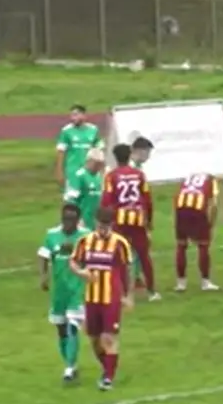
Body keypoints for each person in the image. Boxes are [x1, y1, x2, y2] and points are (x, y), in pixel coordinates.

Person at [70, 206, 135, 391]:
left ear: (112, 225)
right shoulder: (85, 241)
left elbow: (128, 269)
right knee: (94, 339)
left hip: (111, 298)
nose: (103, 229)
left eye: (107, 226)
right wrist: (81, 272)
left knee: (109, 337)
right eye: (100, 225)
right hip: (91, 298)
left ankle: (108, 378)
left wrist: (128, 295)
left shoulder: (120, 243)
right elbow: (73, 261)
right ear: (96, 223)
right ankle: (107, 368)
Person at [99, 143, 159, 300]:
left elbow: (106, 200)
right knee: (144, 255)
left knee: (120, 256)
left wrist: (104, 221)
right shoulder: (139, 174)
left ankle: (124, 292)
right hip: (137, 219)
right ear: (130, 155)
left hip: (120, 220)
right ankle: (152, 291)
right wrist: (149, 219)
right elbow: (147, 199)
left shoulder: (111, 176)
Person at [39, 201, 90, 384]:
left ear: (78, 220)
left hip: (78, 288)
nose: (68, 223)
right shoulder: (52, 235)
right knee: (61, 328)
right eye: (65, 219)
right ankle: (71, 364)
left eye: (71, 219)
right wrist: (44, 276)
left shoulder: (86, 236)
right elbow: (44, 255)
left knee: (73, 325)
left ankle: (69, 368)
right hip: (59, 289)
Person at [173, 171, 220, 293]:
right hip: (197, 208)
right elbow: (214, 204)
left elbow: (178, 194)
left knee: (181, 245)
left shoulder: (188, 177)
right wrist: (211, 225)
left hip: (180, 207)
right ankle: (205, 282)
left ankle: (181, 283)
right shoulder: (211, 179)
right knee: (203, 245)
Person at [55, 104, 103, 193]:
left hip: (89, 171)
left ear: (84, 115)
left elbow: (99, 151)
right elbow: (61, 152)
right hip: (73, 171)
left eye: (75, 115)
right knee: (73, 198)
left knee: (90, 196)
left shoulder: (93, 130)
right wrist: (60, 172)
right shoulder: (66, 131)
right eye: (71, 115)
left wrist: (101, 171)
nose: (73, 118)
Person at [128, 136, 155, 288]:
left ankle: (136, 276)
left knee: (140, 246)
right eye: (147, 153)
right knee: (137, 246)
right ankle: (132, 277)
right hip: (131, 214)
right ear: (140, 151)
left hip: (136, 213)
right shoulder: (133, 169)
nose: (148, 156)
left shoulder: (138, 167)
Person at [63, 147, 106, 215]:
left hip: (95, 219)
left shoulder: (99, 176)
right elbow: (71, 201)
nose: (99, 167)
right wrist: (76, 219)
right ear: (89, 161)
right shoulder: (79, 176)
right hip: (82, 219)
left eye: (100, 164)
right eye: (97, 164)